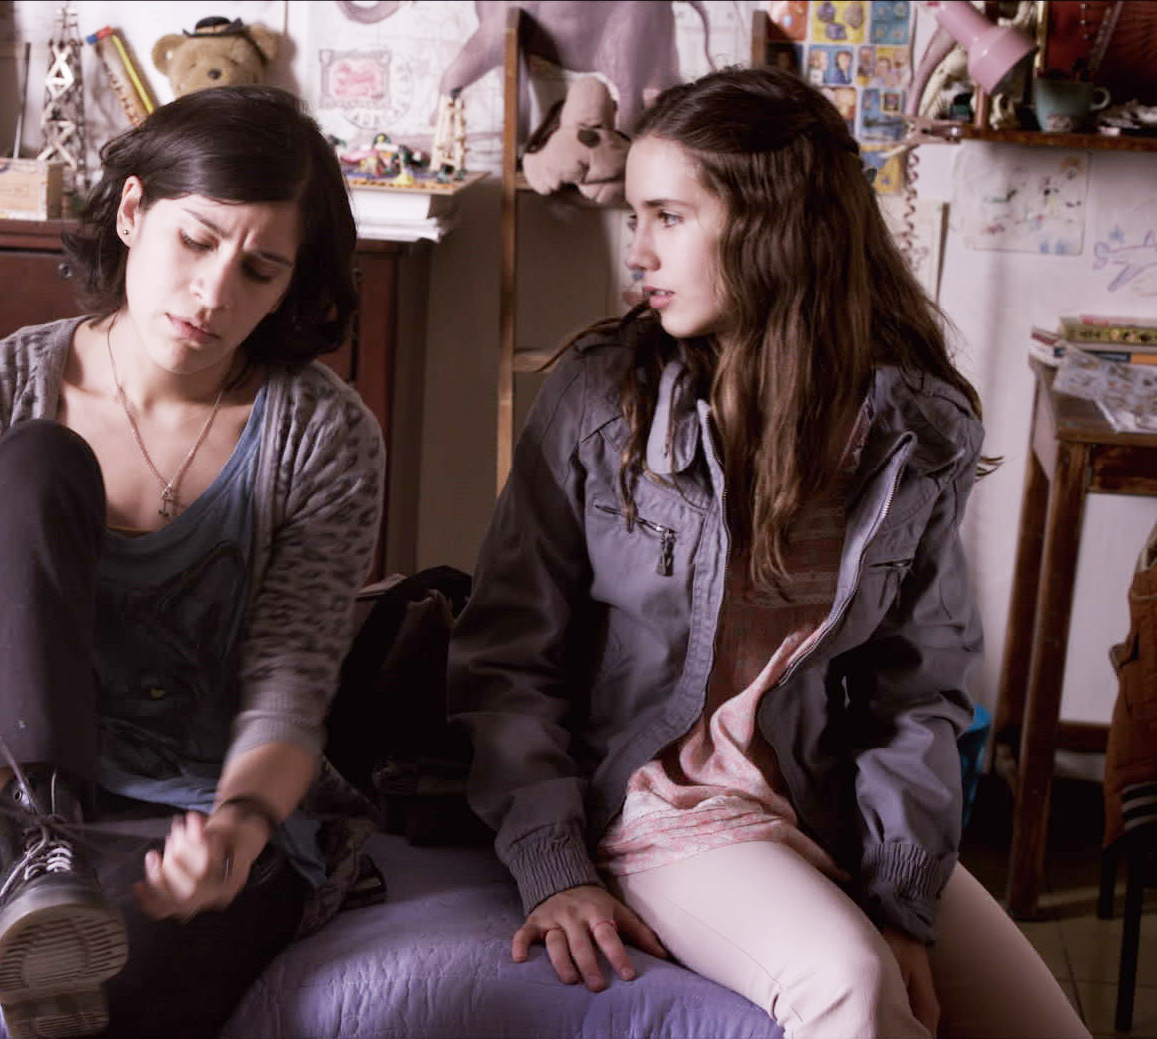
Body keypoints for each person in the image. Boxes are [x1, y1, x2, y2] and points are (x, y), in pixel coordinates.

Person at [449, 66, 1087, 1039]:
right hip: (662, 805)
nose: (638, 252)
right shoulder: (599, 400)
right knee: (849, 985)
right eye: (637, 216)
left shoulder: (918, 429)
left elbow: (915, 692)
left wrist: (902, 897)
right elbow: (505, 659)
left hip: (827, 802)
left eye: (669, 217)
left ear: (774, 227)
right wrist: (554, 864)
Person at [0, 84, 383, 1039]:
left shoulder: (322, 433)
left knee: (115, 972)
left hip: (195, 821)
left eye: (260, 269)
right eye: (195, 240)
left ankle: (66, 904)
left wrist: (241, 825)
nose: (214, 294)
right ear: (133, 211)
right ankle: (43, 853)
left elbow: (291, 682)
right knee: (38, 462)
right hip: (4, 814)